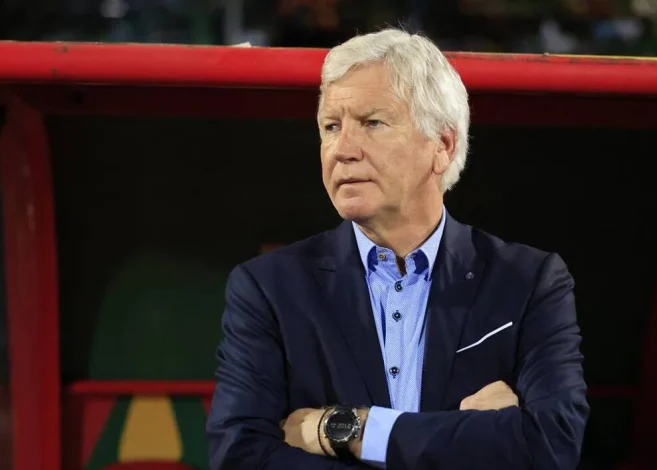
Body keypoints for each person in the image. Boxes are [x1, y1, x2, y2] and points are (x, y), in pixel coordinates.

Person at [206, 28, 589, 470]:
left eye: (372, 123)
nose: (342, 150)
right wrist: (472, 440)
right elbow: (240, 456)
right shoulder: (268, 288)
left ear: (442, 145)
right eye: (331, 126)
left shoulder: (528, 281)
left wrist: (349, 430)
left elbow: (553, 444)